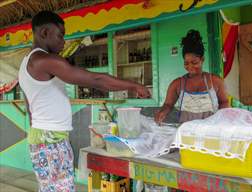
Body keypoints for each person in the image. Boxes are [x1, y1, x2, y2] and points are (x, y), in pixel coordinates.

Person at [18, 11, 150, 192]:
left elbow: (30, 106)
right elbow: (96, 80)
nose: (63, 42)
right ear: (44, 33)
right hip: (50, 140)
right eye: (60, 35)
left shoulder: (29, 61)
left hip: (45, 137)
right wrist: (133, 86)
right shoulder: (43, 60)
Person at [155, 29, 229, 124]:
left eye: (194, 62)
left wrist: (224, 120)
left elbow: (224, 102)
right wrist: (163, 111)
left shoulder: (216, 81)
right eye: (186, 63)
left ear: (202, 59)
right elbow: (168, 104)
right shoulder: (177, 84)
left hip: (211, 132)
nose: (190, 67)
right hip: (186, 133)